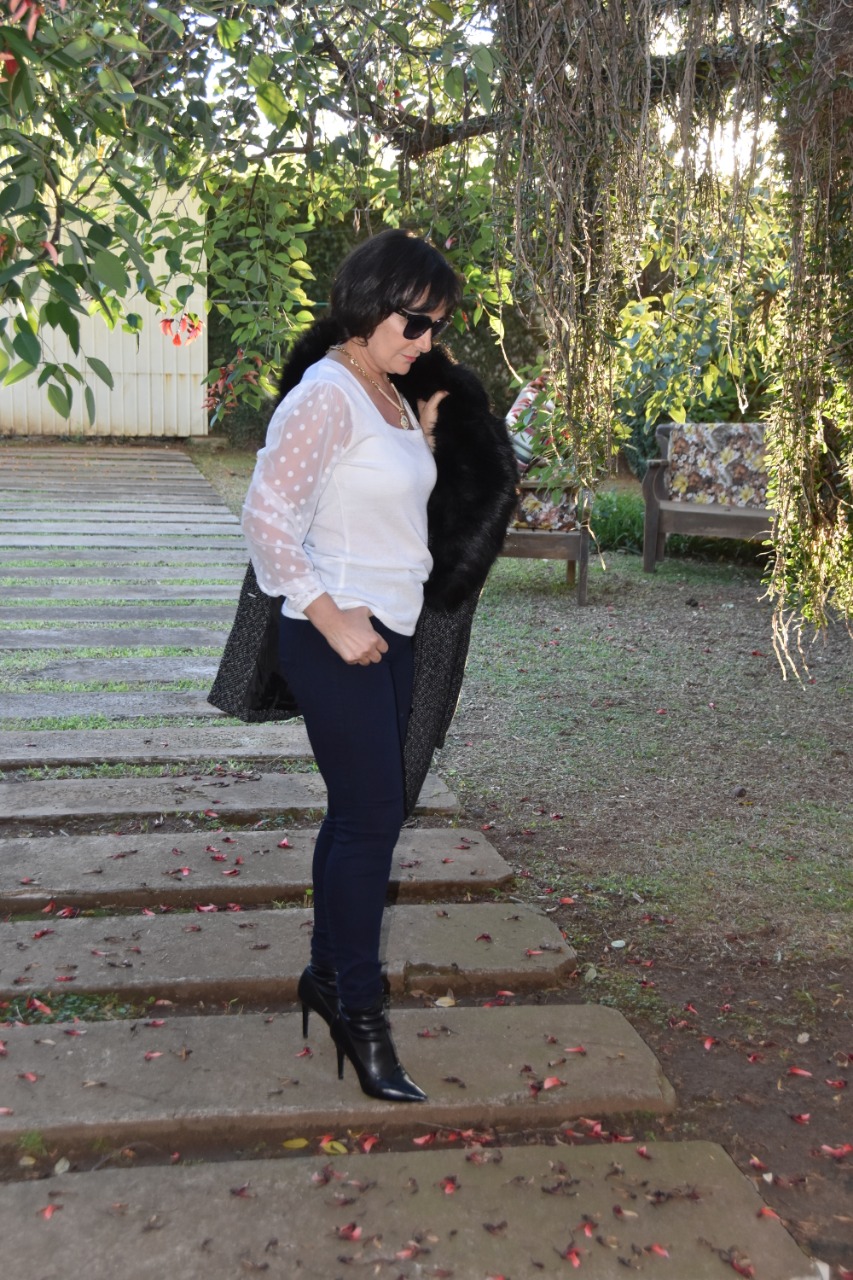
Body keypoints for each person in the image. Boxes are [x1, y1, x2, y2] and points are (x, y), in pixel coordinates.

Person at [210, 229, 518, 1103]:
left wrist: (429, 439)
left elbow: (394, 506)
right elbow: (266, 516)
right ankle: (358, 1010)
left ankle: (322, 976)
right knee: (373, 817)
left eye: (437, 327)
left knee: (358, 815)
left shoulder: (388, 393)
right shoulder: (325, 394)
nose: (427, 341)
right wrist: (327, 614)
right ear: (369, 305)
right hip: (338, 631)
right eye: (414, 324)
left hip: (394, 626)